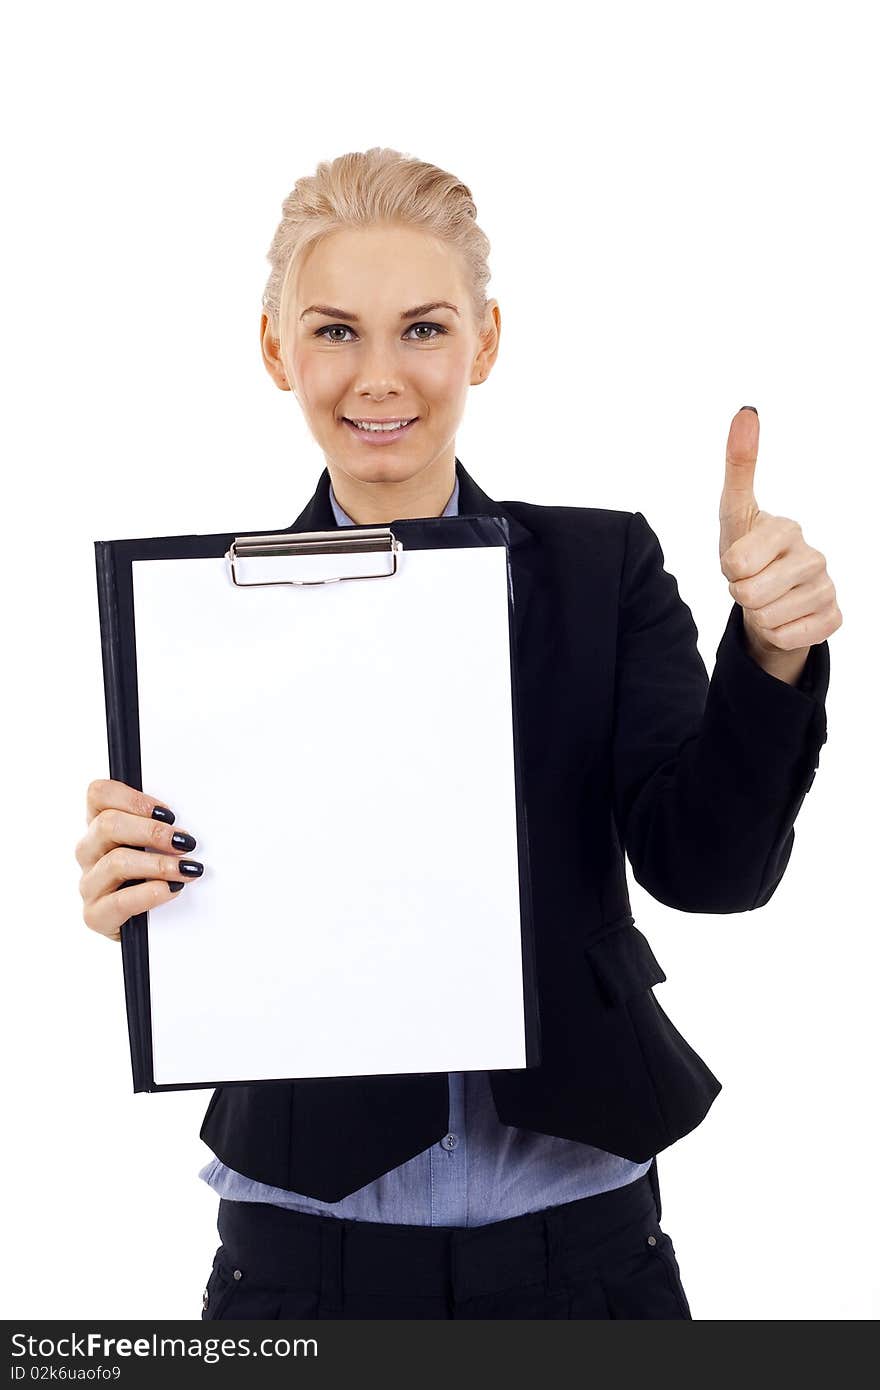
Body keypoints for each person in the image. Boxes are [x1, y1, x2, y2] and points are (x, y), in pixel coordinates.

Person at [75, 147, 840, 1320]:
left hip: (583, 1251)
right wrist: (138, 890)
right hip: (301, 1261)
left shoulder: (600, 572)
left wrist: (771, 656)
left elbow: (711, 870)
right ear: (276, 349)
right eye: (334, 330)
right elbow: (212, 905)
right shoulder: (200, 628)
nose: (379, 375)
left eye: (423, 329)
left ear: (483, 342)